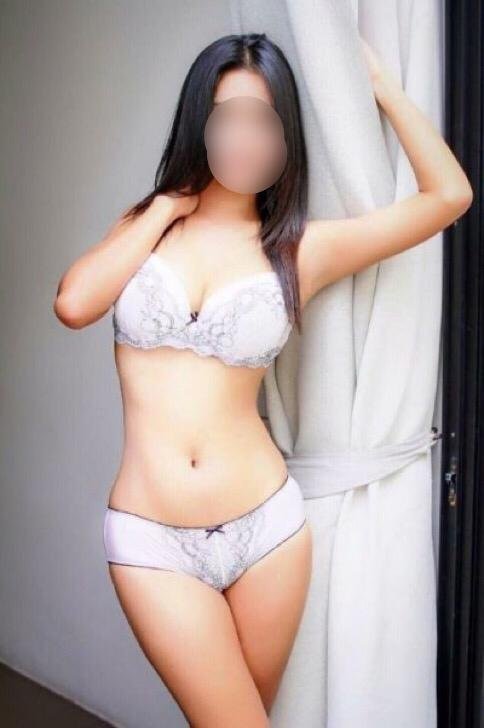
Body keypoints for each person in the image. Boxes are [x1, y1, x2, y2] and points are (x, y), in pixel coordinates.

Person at [53, 31, 472, 728]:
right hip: (152, 538)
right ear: (200, 123)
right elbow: (74, 304)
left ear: (285, 140)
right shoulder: (147, 228)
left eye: (265, 122)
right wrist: (167, 206)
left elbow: (449, 195)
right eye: (228, 117)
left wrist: (383, 87)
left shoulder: (300, 250)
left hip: (267, 533)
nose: (246, 138)